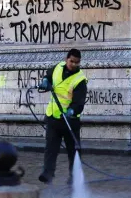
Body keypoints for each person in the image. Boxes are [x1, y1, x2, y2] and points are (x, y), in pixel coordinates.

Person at [38, 48, 88, 185]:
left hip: (69, 121)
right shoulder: (58, 67)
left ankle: (74, 176)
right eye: (72, 61)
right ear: (66, 59)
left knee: (73, 150)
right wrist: (45, 81)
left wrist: (71, 111)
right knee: (50, 148)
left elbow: (79, 102)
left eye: (77, 62)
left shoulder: (80, 80)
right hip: (53, 117)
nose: (74, 64)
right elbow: (48, 75)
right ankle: (48, 174)